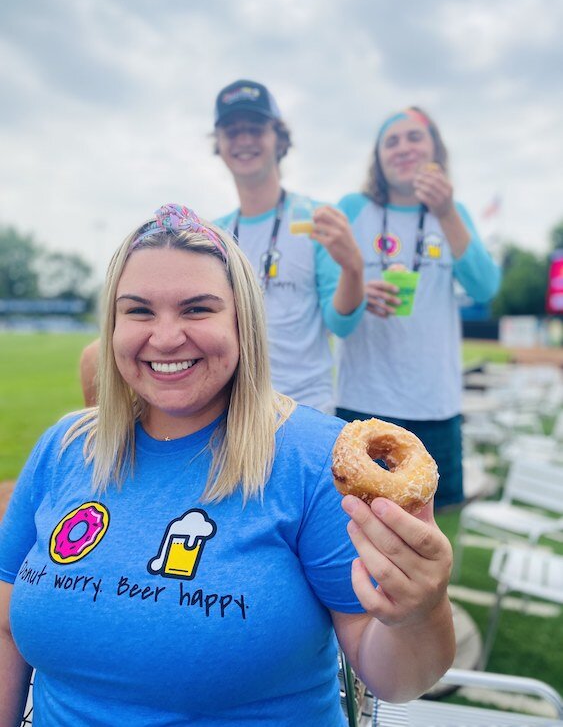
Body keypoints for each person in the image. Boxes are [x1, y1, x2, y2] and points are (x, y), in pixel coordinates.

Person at [0, 203, 455, 726]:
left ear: (243, 323)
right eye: (139, 311)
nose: (166, 337)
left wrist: (422, 612)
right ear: (113, 324)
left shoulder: (316, 462)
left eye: (197, 309)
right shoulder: (61, 449)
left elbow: (395, 679)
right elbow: (6, 629)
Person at [336, 107, 501, 510]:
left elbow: (484, 287)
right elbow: (335, 308)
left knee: (432, 520)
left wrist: (445, 212)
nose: (403, 148)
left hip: (434, 401)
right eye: (391, 141)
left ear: (434, 150)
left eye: (414, 138)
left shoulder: (454, 214)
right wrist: (359, 290)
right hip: (363, 400)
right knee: (350, 520)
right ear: (377, 157)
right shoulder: (356, 209)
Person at [212, 79, 366, 413]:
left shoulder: (316, 219)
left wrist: (354, 267)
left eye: (255, 129)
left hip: (306, 409)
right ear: (219, 143)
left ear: (279, 139)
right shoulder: (214, 234)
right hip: (234, 412)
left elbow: (341, 325)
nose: (244, 140)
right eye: (232, 131)